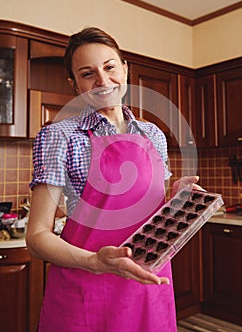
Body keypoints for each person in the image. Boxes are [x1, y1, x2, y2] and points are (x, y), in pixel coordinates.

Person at [26, 27, 202, 332]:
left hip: (148, 284)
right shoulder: (59, 136)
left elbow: (154, 221)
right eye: (87, 73)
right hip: (86, 288)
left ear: (125, 69)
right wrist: (95, 262)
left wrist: (176, 199)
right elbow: (37, 237)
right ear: (74, 84)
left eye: (109, 67)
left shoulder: (154, 135)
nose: (103, 81)